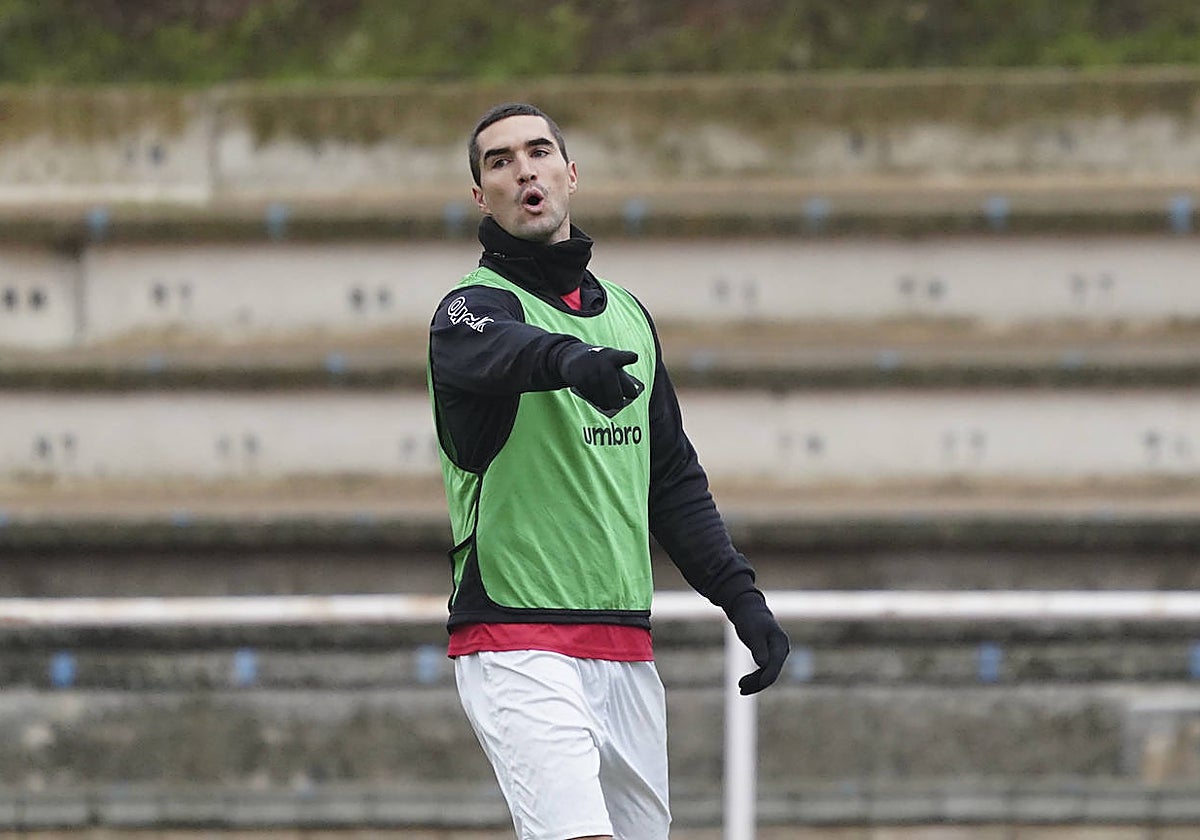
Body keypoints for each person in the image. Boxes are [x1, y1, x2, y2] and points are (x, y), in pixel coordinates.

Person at [426, 102, 789, 840]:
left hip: (624, 646)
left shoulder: (628, 316)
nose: (523, 169)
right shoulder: (466, 311)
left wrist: (742, 601)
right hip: (515, 637)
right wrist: (569, 361)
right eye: (499, 161)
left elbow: (673, 483)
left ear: (570, 173)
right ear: (480, 197)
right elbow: (501, 348)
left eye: (537, 152)